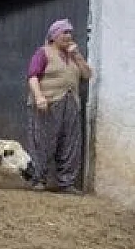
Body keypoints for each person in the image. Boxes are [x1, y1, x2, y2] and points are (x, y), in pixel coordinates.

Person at [25, 19, 92, 192]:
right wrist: (39, 96)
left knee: (70, 143)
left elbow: (87, 75)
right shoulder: (43, 53)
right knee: (42, 141)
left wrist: (77, 55)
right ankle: (38, 179)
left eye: (70, 33)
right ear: (54, 36)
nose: (68, 36)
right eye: (64, 33)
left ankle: (66, 183)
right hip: (47, 103)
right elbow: (33, 76)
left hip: (70, 103)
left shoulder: (73, 56)